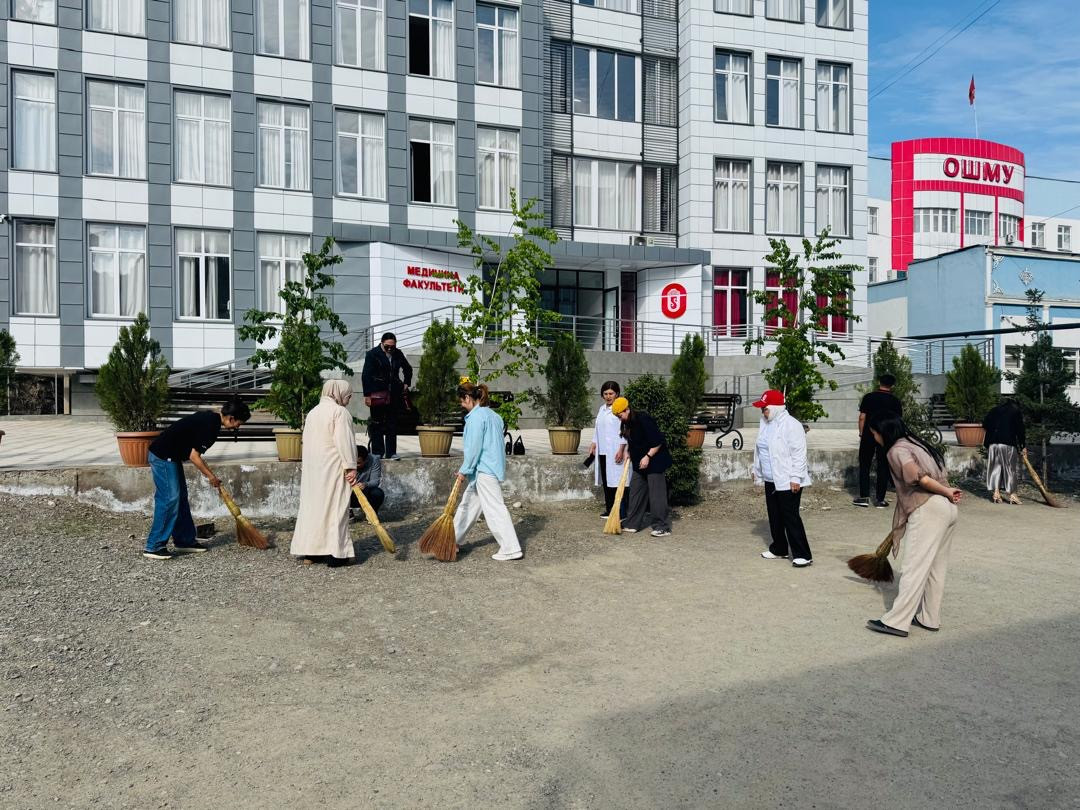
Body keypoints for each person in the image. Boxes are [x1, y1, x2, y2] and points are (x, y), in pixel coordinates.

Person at [865, 413, 962, 638]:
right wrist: (947, 493)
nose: (874, 438)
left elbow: (919, 478)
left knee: (914, 567)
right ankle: (929, 617)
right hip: (947, 510)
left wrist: (946, 491)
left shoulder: (897, 450)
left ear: (883, 432)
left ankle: (897, 621)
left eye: (874, 433)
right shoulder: (917, 443)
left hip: (928, 508)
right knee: (936, 568)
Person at [143, 398, 251, 560]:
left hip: (171, 456)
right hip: (162, 456)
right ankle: (154, 546)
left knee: (180, 498)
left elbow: (192, 452)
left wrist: (210, 475)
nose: (238, 427)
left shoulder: (211, 419)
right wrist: (211, 477)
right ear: (231, 418)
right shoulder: (211, 426)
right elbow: (194, 457)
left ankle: (184, 541)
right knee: (170, 498)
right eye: (238, 423)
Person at [291, 380, 359, 567]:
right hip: (333, 468)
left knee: (314, 509)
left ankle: (312, 552)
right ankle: (336, 555)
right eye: (348, 395)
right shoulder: (340, 412)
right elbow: (344, 442)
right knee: (335, 508)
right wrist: (351, 466)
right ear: (339, 393)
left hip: (314, 470)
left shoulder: (312, 413)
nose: (349, 399)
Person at [453, 382, 523, 561]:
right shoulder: (494, 416)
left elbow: (473, 448)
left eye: (461, 400)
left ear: (467, 398)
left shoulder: (475, 418)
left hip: (484, 470)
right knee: (468, 506)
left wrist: (464, 470)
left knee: (494, 509)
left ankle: (511, 548)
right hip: (489, 468)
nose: (461, 404)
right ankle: (452, 541)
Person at [750, 389, 813, 567]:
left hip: (788, 480)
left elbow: (799, 454)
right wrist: (756, 469)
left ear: (775, 407)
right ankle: (779, 548)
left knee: (790, 516)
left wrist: (796, 477)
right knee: (775, 516)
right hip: (771, 479)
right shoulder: (765, 423)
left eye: (765, 408)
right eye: (762, 409)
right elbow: (760, 449)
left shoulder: (792, 425)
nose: (763, 412)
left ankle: (803, 554)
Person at [612, 396, 672, 537]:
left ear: (627, 409)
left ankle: (662, 526)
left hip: (655, 461)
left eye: (620, 416)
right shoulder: (627, 422)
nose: (620, 419)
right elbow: (633, 441)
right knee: (636, 492)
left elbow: (658, 441)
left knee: (656, 496)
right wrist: (628, 452)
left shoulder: (644, 419)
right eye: (618, 417)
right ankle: (632, 523)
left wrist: (648, 456)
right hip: (639, 462)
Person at [361, 332, 412, 460]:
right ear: (382, 343)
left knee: (392, 423)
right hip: (377, 393)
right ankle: (377, 452)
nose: (390, 349)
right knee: (377, 423)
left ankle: (391, 452)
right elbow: (366, 375)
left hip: (394, 393)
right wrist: (367, 395)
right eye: (387, 346)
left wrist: (406, 383)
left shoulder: (398, 353)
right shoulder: (372, 354)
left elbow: (408, 368)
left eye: (392, 346)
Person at [854, 373, 902, 508]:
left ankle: (864, 498)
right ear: (892, 386)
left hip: (868, 435)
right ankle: (880, 499)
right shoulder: (895, 401)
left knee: (865, 465)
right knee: (883, 466)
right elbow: (897, 421)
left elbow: (862, 417)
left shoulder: (868, 397)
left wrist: (861, 433)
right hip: (886, 437)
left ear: (879, 383)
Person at [589, 381, 628, 519]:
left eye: (611, 393)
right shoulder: (602, 409)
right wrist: (594, 443)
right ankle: (609, 508)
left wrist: (622, 449)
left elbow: (624, 430)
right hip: (603, 450)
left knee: (618, 481)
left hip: (616, 450)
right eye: (605, 394)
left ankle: (621, 511)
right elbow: (598, 428)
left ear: (617, 394)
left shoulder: (620, 409)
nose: (608, 396)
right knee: (607, 481)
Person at [983, 398, 1026, 505]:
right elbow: (1020, 429)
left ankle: (996, 493)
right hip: (1007, 443)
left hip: (993, 444)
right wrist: (1023, 445)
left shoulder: (994, 410)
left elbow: (985, 424)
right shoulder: (1015, 411)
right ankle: (1012, 495)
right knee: (1010, 469)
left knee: (995, 468)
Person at [349, 445, 385, 520]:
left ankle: (371, 513)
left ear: (366, 460)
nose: (355, 465)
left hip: (364, 492)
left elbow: (375, 481)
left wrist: (365, 484)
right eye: (353, 462)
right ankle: (348, 512)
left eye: (358, 463)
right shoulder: (346, 461)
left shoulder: (374, 460)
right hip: (348, 494)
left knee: (377, 493)